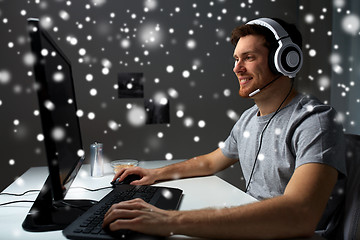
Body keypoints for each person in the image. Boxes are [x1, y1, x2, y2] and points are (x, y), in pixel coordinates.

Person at [102, 17, 346, 239]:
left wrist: (168, 220)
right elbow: (211, 162)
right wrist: (156, 174)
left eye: (249, 58)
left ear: (285, 60)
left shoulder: (315, 121)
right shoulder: (249, 118)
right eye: (236, 59)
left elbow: (299, 214)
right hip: (255, 228)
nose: (237, 68)